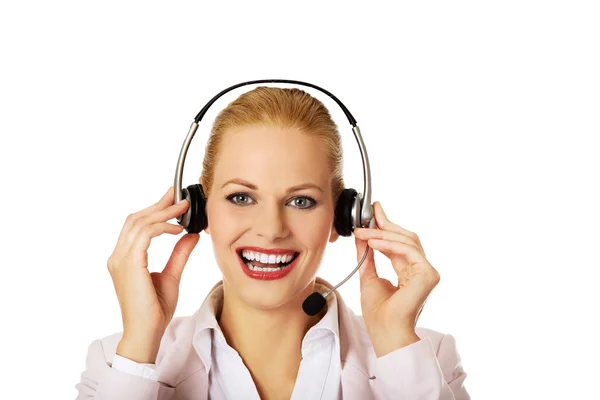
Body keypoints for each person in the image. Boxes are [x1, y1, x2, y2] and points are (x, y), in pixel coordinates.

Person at [75, 87, 470, 400]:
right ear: (197, 211)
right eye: (241, 197)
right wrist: (141, 342)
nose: (271, 229)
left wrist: (396, 342)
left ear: (343, 219)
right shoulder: (118, 363)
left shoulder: (424, 359)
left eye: (301, 201)